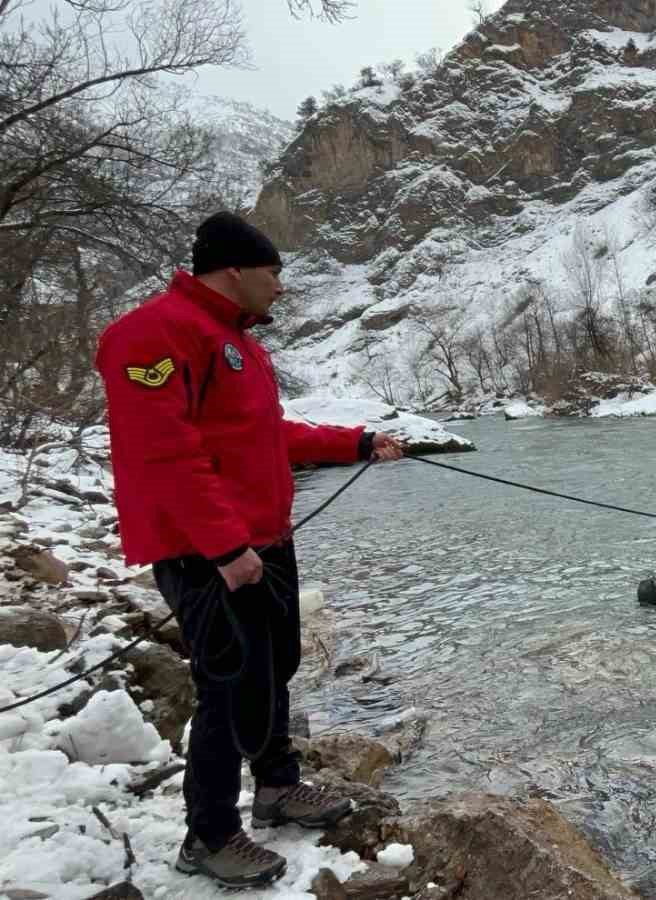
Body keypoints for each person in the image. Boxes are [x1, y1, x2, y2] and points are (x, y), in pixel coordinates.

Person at [95, 212, 405, 889]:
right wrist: (226, 546)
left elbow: (267, 436)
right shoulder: (150, 335)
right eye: (274, 274)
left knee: (275, 668)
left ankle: (275, 787)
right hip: (208, 554)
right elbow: (162, 455)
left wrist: (355, 441)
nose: (281, 288)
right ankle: (207, 835)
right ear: (234, 269)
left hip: (264, 543)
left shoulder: (238, 343)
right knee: (227, 685)